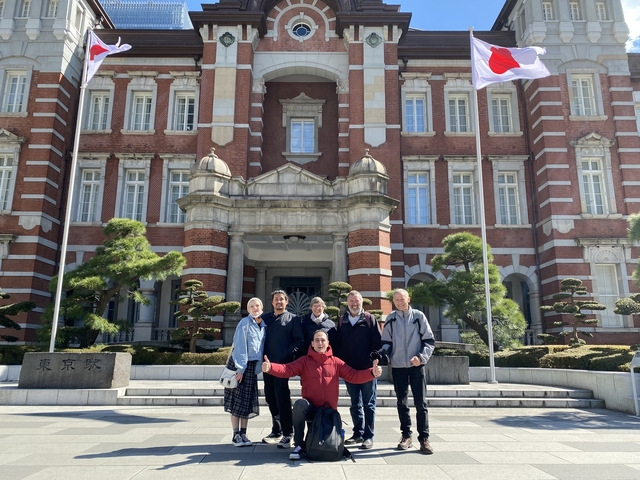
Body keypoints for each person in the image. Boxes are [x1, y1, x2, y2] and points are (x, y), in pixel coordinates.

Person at [262, 330, 383, 460]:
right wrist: (271, 368)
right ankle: (298, 445)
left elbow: (354, 376)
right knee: (299, 405)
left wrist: (372, 373)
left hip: (328, 412)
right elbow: (287, 369)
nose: (320, 343)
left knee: (328, 447)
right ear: (312, 343)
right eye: (317, 340)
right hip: (311, 410)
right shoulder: (304, 361)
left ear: (328, 343)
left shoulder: (336, 362)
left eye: (323, 340)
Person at [375, 288, 435, 454]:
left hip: (417, 365)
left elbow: (429, 341)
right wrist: (382, 355)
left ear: (408, 299)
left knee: (420, 403)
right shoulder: (391, 318)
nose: (400, 302)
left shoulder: (418, 316)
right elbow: (386, 342)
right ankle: (406, 435)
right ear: (393, 302)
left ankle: (424, 438)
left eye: (402, 299)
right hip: (398, 367)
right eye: (396, 300)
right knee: (402, 403)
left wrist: (421, 358)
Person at [334, 290, 381, 449]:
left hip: (367, 370)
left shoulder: (369, 319)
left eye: (357, 301)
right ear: (347, 303)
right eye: (351, 301)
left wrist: (375, 362)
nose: (354, 304)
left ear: (362, 302)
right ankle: (358, 433)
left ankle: (368, 435)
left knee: (368, 404)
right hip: (349, 370)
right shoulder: (342, 321)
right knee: (355, 404)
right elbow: (338, 344)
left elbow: (377, 343)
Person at [261, 289, 304, 448]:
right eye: (276, 299)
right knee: (270, 397)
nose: (279, 302)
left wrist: (287, 354)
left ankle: (288, 432)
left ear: (287, 302)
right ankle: (276, 430)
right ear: (272, 302)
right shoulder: (264, 319)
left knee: (282, 397)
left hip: (282, 366)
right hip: (267, 365)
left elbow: (299, 341)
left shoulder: (294, 319)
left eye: (281, 299)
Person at [224, 297, 266, 447]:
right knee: (237, 402)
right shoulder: (244, 323)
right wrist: (240, 369)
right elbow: (240, 347)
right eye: (252, 306)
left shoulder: (263, 325)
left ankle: (243, 433)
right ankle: (235, 434)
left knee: (246, 402)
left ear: (261, 307)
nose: (255, 308)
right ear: (248, 309)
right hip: (240, 366)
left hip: (251, 368)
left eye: (257, 306)